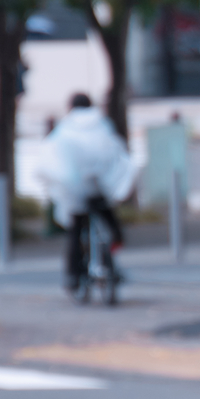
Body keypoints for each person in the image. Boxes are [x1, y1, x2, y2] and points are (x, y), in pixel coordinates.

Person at [37, 93, 138, 292]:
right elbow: (115, 151)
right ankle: (112, 259)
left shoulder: (65, 127)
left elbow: (54, 156)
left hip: (76, 188)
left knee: (76, 229)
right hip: (100, 185)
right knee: (109, 220)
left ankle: (73, 276)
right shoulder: (103, 124)